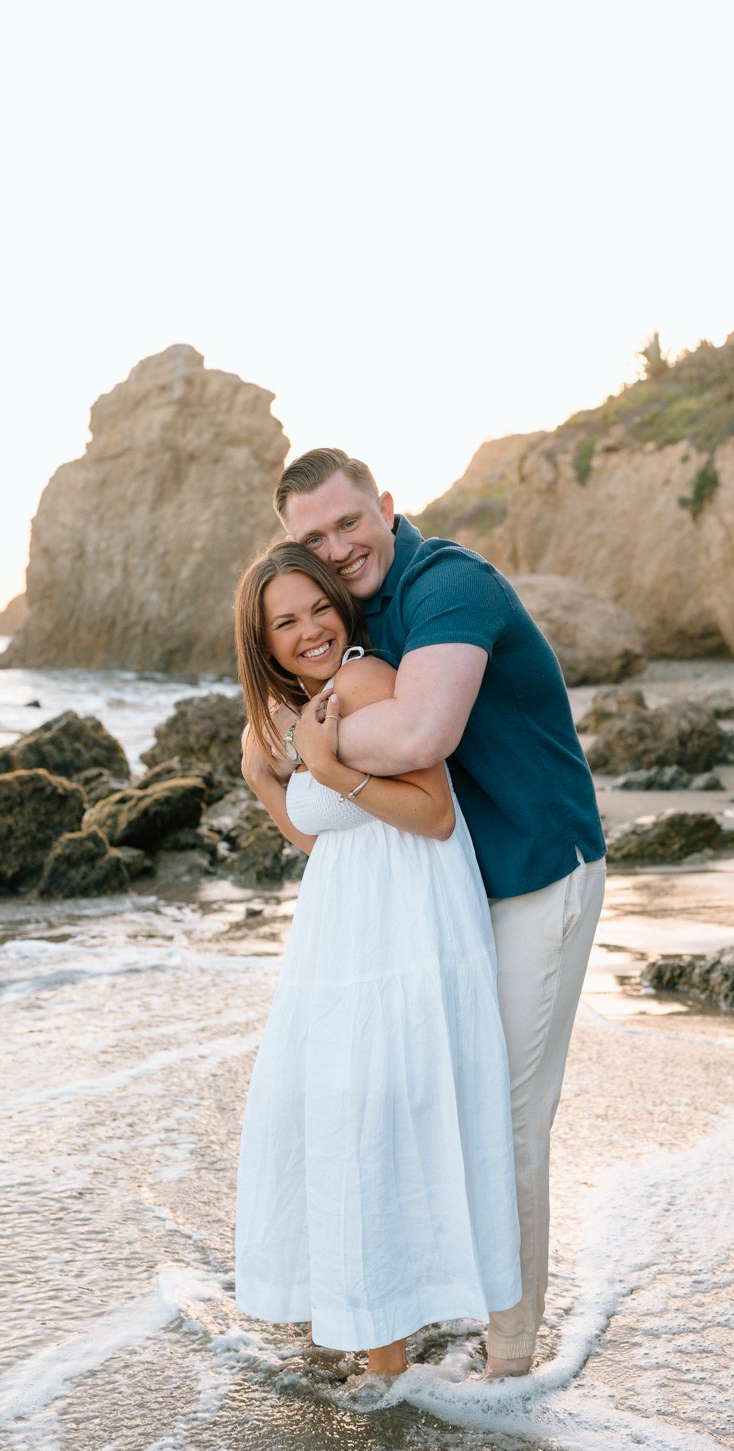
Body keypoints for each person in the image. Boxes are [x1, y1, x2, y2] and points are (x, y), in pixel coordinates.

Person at [251, 448, 607, 1379]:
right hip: (452, 897)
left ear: (388, 509)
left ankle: (511, 1359)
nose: (338, 547)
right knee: (433, 1100)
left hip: (535, 872)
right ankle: (434, 1296)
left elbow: (421, 735)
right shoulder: (354, 616)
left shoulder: (450, 584)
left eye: (349, 522)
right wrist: (284, 749)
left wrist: (295, 743)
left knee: (509, 1114)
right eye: (313, 538)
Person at [233, 542, 521, 1377]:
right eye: (284, 622)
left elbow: (432, 812)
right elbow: (312, 836)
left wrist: (322, 764)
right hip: (346, 925)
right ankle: (381, 1346)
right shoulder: (293, 708)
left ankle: (393, 1357)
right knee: (345, 1122)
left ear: (340, 605)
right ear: (262, 642)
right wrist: (267, 778)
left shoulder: (362, 681)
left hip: (409, 921)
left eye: (317, 607)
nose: (310, 629)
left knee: (373, 1115)